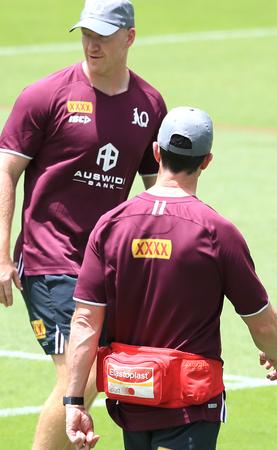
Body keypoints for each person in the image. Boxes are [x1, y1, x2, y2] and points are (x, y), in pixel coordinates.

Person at [64, 106, 277, 449]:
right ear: (207, 161)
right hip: (189, 407)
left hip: (132, 397)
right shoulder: (216, 232)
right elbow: (262, 322)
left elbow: (85, 321)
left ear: (156, 152)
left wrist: (74, 401)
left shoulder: (110, 225)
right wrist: (275, 353)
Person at [0, 1, 166, 448]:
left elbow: (158, 195)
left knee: (100, 376)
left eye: (104, 35)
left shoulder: (149, 105)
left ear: (129, 37)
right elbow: (6, 171)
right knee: (83, 374)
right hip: (48, 258)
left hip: (106, 268)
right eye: (86, 33)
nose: (92, 44)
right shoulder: (45, 95)